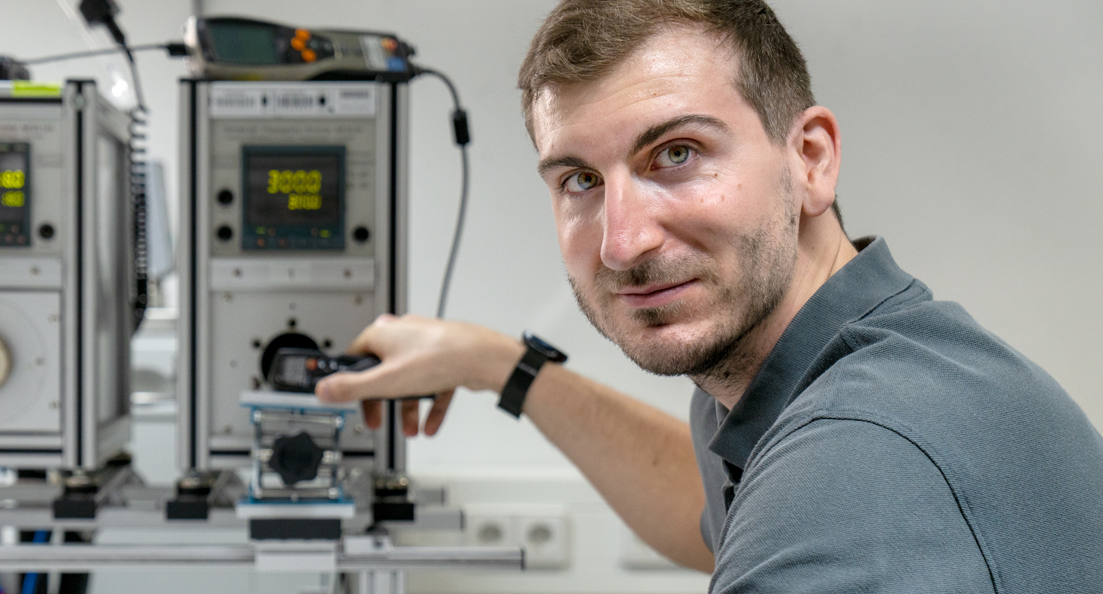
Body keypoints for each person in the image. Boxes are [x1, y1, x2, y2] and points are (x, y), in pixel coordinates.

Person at [315, 0, 1103, 590]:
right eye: (581, 180)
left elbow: (807, 502)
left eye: (677, 153)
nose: (623, 243)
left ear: (811, 160)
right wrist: (498, 364)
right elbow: (711, 509)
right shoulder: (817, 366)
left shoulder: (856, 465)